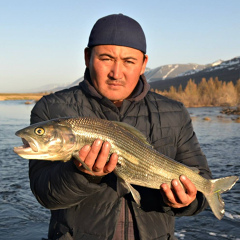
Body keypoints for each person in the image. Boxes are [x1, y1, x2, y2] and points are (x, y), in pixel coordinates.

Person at [29, 14, 211, 240]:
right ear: (87, 57)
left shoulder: (174, 112)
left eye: (129, 61)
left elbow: (201, 183)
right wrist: (83, 175)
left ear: (144, 64)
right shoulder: (52, 109)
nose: (116, 73)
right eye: (106, 58)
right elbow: (45, 194)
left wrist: (186, 202)